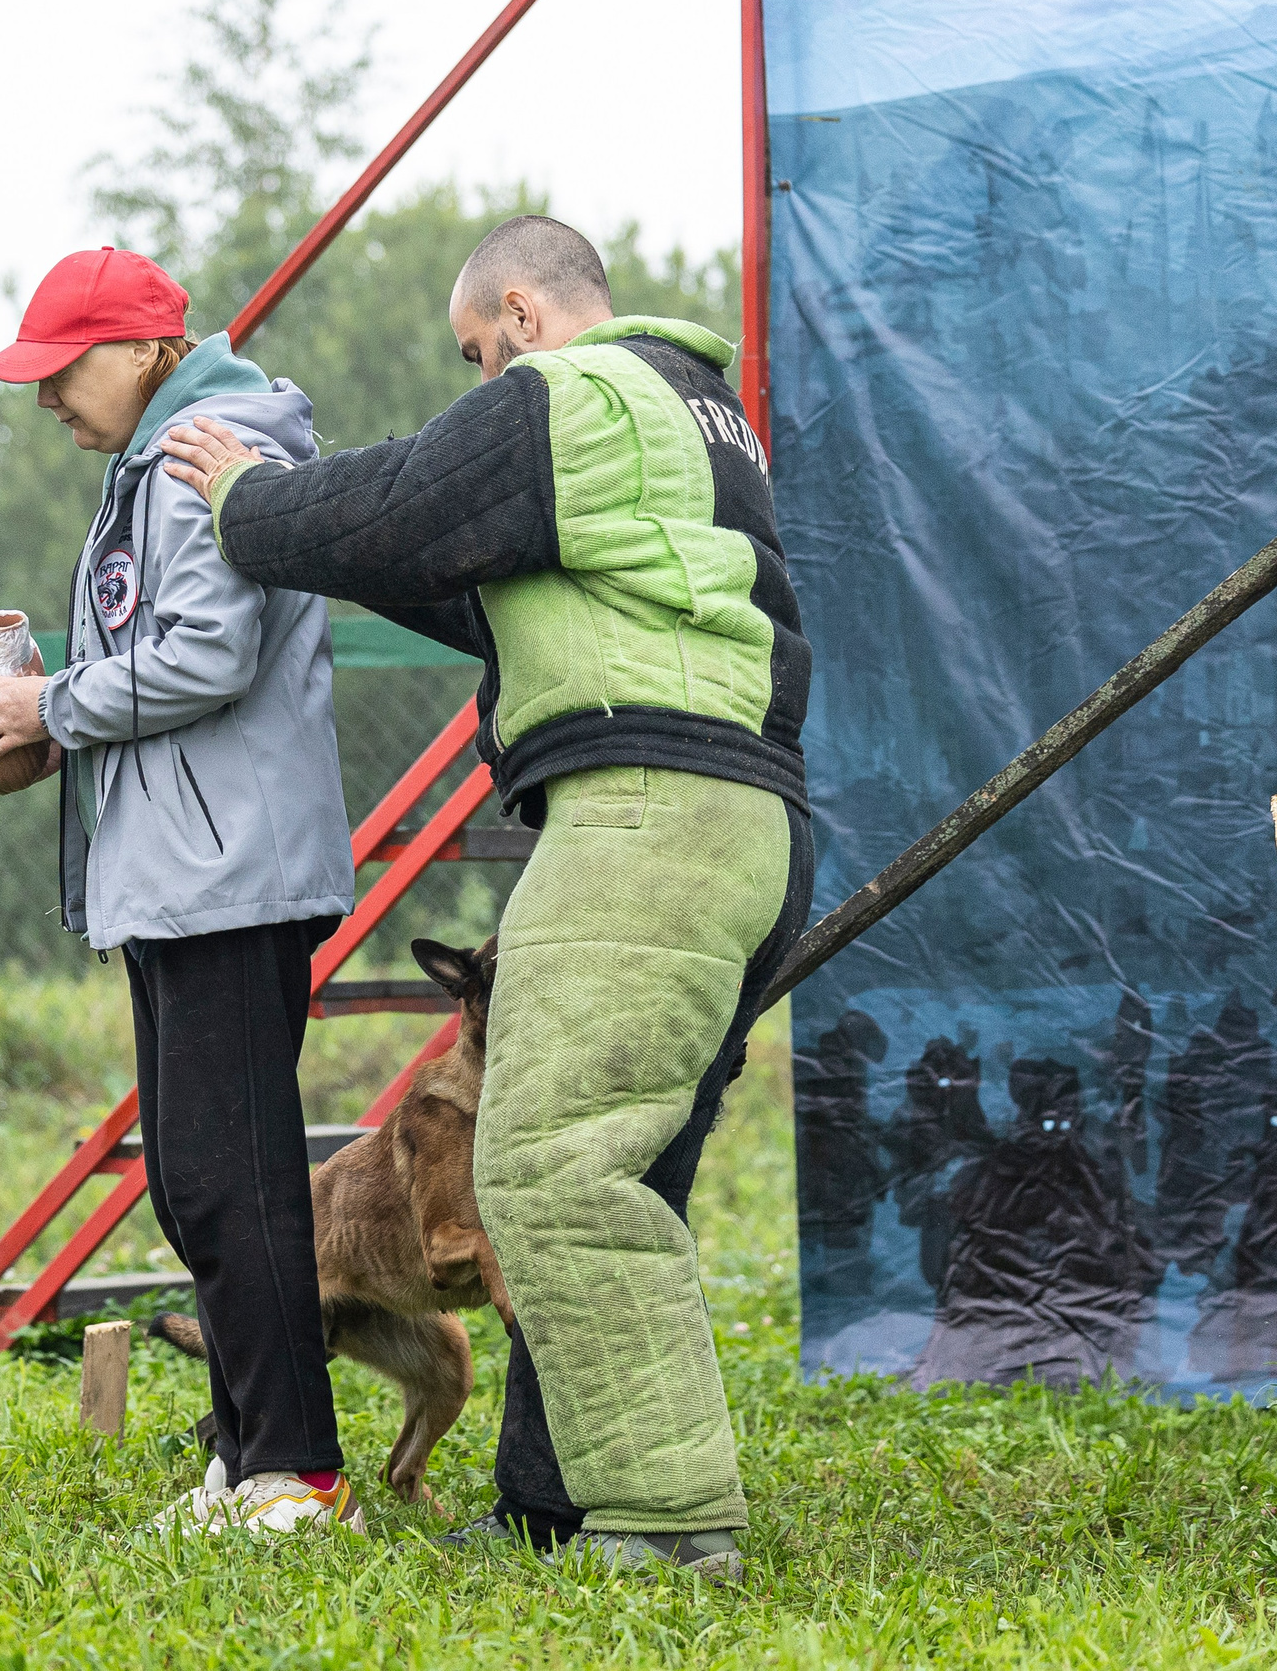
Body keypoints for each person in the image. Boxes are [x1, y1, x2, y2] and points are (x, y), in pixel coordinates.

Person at [160, 216, 814, 1581]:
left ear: (523, 312)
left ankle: (670, 1525)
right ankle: (550, 1501)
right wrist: (328, 552)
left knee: (545, 1167)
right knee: (621, 1166)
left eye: (475, 352)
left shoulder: (570, 392)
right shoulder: (697, 421)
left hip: (648, 809)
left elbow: (401, 504)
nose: (477, 381)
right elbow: (473, 584)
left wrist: (247, 505)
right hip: (746, 817)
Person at [0, 247, 360, 1533]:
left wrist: (48, 705)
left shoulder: (201, 458)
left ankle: (300, 1472)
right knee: (194, 1178)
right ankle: (246, 1466)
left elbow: (207, 659)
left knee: (233, 1178)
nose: (47, 402)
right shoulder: (160, 457)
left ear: (142, 352)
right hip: (181, 874)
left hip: (228, 873)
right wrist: (40, 701)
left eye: (61, 373)